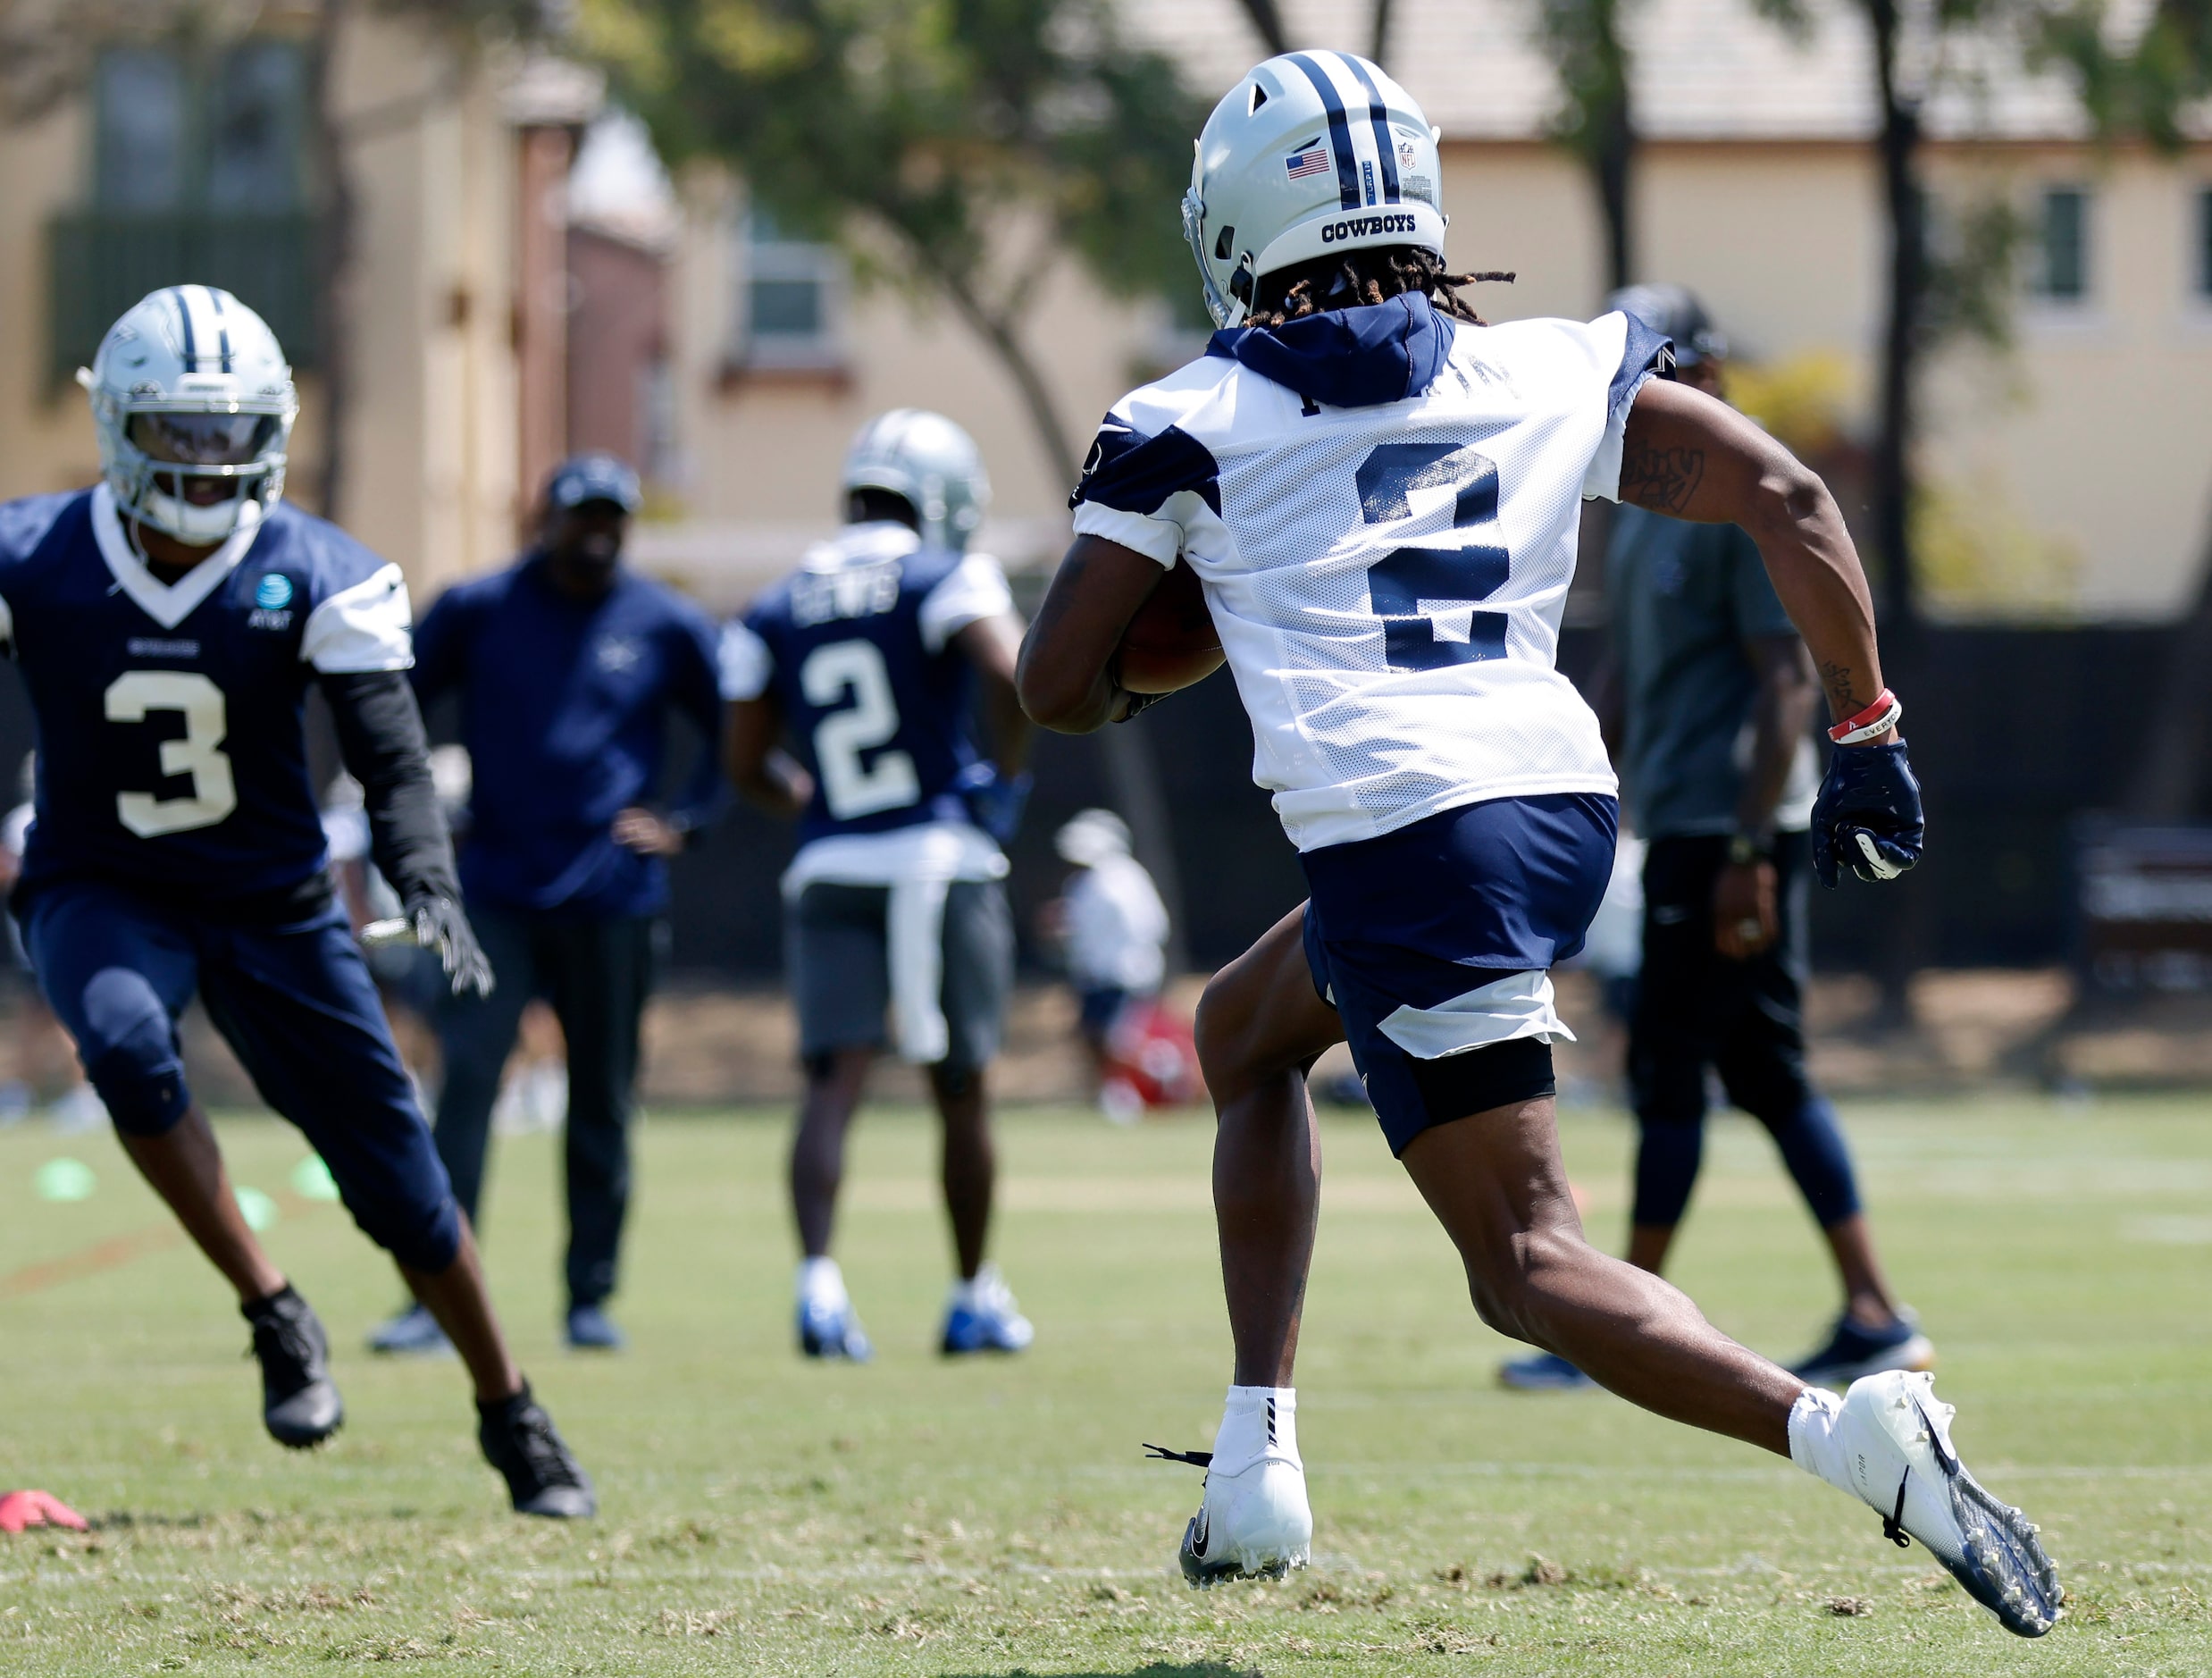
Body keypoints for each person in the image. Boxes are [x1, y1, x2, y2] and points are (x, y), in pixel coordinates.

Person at [1018, 55, 2057, 1637]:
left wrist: (1205, 607)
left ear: (1237, 217)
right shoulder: (1552, 367)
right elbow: (1783, 489)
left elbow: (1055, 685)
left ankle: (1849, 1431)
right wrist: (1866, 731)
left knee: (1524, 1260)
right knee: (1241, 1030)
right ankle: (1256, 1459)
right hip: (1558, 812)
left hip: (1406, 837)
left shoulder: (1188, 422)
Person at [0, 286, 591, 1515]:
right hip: (102, 883)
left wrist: (423, 872)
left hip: (270, 901)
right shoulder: (36, 556)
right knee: (121, 1046)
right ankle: (274, 1307)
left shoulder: (317, 569)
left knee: (402, 1184)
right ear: (117, 426)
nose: (208, 461)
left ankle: (511, 1411)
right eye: (179, 430)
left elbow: (390, 752)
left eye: (229, 432)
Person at [1502, 286, 1931, 1393]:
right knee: (1766, 1075)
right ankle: (1875, 1313)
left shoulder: (1737, 494)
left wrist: (1750, 853)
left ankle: (1616, 1333)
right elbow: (1632, 678)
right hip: (1685, 825)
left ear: (1703, 371)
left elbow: (1784, 682)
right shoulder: (1642, 504)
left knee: (1670, 1073)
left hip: (1730, 834)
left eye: (1652, 365)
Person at [367, 454, 725, 1356]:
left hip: (613, 898)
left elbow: (738, 727)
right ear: (546, 519)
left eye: (614, 518)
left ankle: (589, 1299)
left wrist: (689, 820)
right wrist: (417, 809)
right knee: (467, 1084)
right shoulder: (480, 607)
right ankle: (437, 1299)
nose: (599, 532)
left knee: (601, 1098)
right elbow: (392, 704)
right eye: (583, 516)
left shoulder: (664, 620)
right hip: (495, 892)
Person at [722, 410, 1035, 1361]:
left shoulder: (775, 601)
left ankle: (818, 1288)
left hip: (830, 864)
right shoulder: (946, 576)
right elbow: (1014, 676)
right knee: (962, 1088)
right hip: (937, 860)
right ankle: (971, 1295)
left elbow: (746, 763)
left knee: (832, 1084)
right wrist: (1003, 782)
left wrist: (806, 795)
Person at [1046, 809, 1172, 1116]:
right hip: (1092, 975)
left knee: (1118, 1042)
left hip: (1124, 975)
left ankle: (1165, 1068)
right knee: (1092, 1037)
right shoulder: (1081, 883)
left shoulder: (1125, 876)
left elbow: (1151, 926)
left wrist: (1132, 964)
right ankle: (1115, 1096)